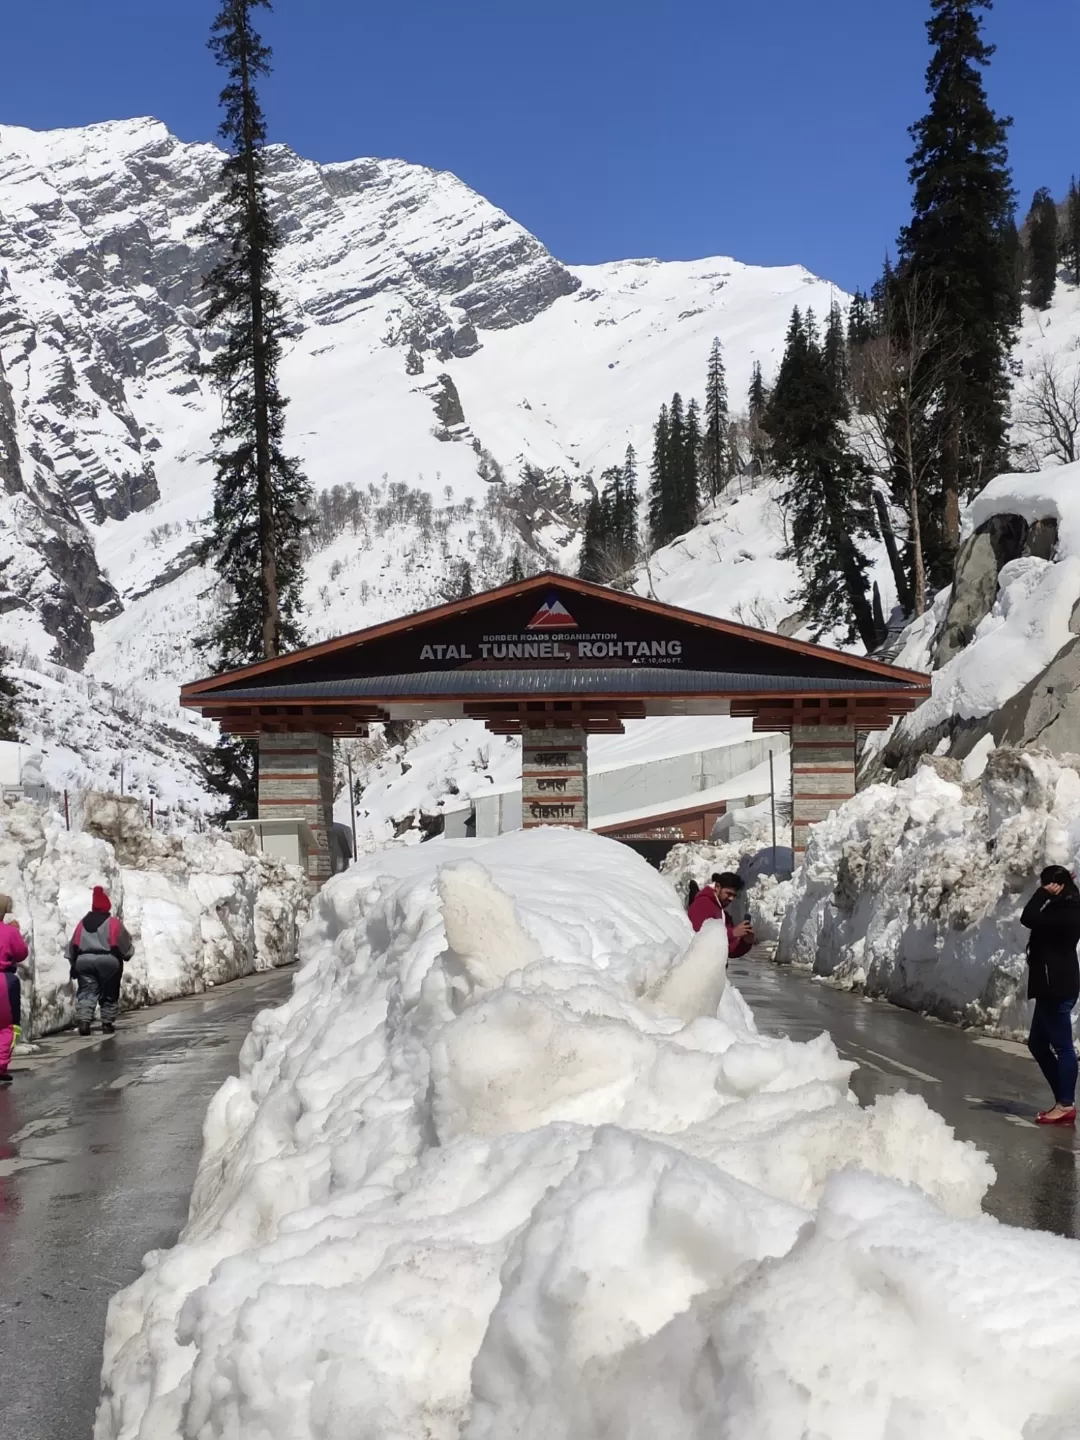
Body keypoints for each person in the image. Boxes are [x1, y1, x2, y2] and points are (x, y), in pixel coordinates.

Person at [1020, 865, 1080, 1126]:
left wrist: (1042, 895)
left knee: (1064, 1047)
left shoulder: (1068, 911)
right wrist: (1056, 890)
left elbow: (1029, 917)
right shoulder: (1065, 904)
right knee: (1037, 1043)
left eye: (1048, 885)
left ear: (1056, 886)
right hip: (1051, 985)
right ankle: (1063, 1099)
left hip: (1057, 986)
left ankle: (1065, 1104)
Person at [67, 887, 133, 1037]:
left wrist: (73, 962)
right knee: (109, 990)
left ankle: (84, 1021)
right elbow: (123, 943)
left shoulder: (81, 924)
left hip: (84, 960)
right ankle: (107, 1022)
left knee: (87, 991)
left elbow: (73, 945)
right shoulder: (113, 923)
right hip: (108, 960)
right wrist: (127, 954)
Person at [687, 871, 755, 957]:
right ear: (717, 887)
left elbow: (729, 950)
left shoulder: (722, 912)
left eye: (734, 896)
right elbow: (700, 938)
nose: (731, 899)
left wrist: (745, 942)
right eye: (729, 893)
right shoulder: (702, 904)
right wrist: (732, 933)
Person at [0, 894, 29, 1087]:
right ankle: (0, 1065)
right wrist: (15, 932)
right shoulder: (9, 931)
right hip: (4, 981)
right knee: (7, 1026)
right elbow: (21, 953)